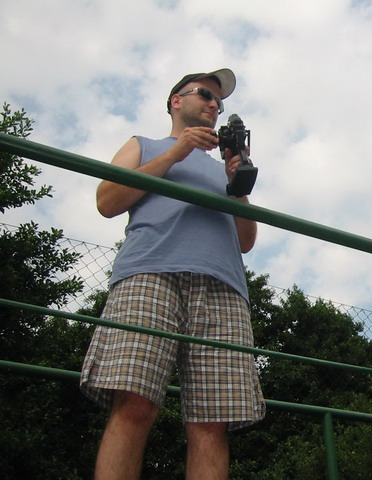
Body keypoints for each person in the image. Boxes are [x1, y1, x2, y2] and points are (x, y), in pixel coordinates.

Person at [80, 68, 265, 480]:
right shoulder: (143, 145)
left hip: (224, 288)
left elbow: (246, 241)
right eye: (206, 94)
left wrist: (238, 186)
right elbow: (107, 201)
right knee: (134, 404)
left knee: (212, 423)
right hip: (149, 274)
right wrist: (176, 153)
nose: (215, 104)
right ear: (176, 101)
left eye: (219, 101)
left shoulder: (225, 172)